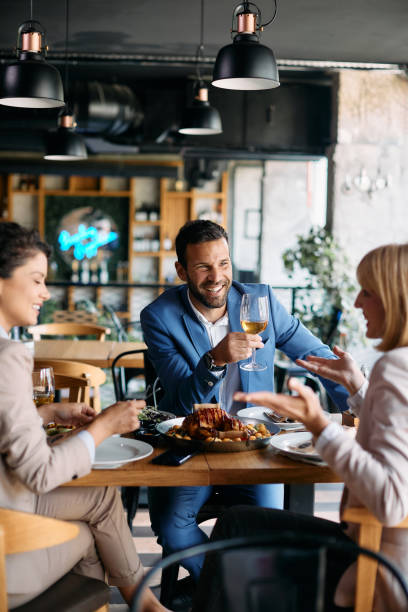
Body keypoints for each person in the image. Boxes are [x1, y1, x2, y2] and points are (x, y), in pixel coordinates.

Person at [194, 242, 408, 612]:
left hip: (376, 563)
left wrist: (318, 424)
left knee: (234, 530)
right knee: (238, 524)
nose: (356, 303)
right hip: (375, 546)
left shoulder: (395, 368)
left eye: (367, 292)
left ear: (395, 297)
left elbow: (390, 501)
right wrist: (358, 388)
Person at [140, 219, 349, 581]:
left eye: (223, 263)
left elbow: (316, 357)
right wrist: (214, 360)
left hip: (256, 445)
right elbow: (184, 398)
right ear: (182, 270)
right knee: (172, 528)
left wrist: (358, 404)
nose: (216, 276)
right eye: (203, 266)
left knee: (269, 532)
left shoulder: (260, 301)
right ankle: (225, 590)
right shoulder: (160, 317)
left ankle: (226, 595)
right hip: (195, 445)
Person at [0, 222, 169, 611]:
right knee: (93, 531)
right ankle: (142, 605)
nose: (45, 292)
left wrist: (44, 412)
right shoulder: (7, 356)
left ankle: (141, 604)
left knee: (100, 498)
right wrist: (103, 426)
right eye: (37, 279)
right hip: (8, 541)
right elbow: (39, 473)